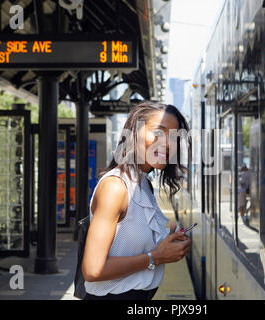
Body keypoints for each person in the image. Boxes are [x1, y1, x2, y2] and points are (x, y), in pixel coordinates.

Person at [82, 101, 192, 300]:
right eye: (159, 132)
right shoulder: (116, 187)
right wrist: (156, 257)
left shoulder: (143, 184)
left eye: (175, 137)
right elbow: (92, 270)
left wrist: (168, 244)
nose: (168, 143)